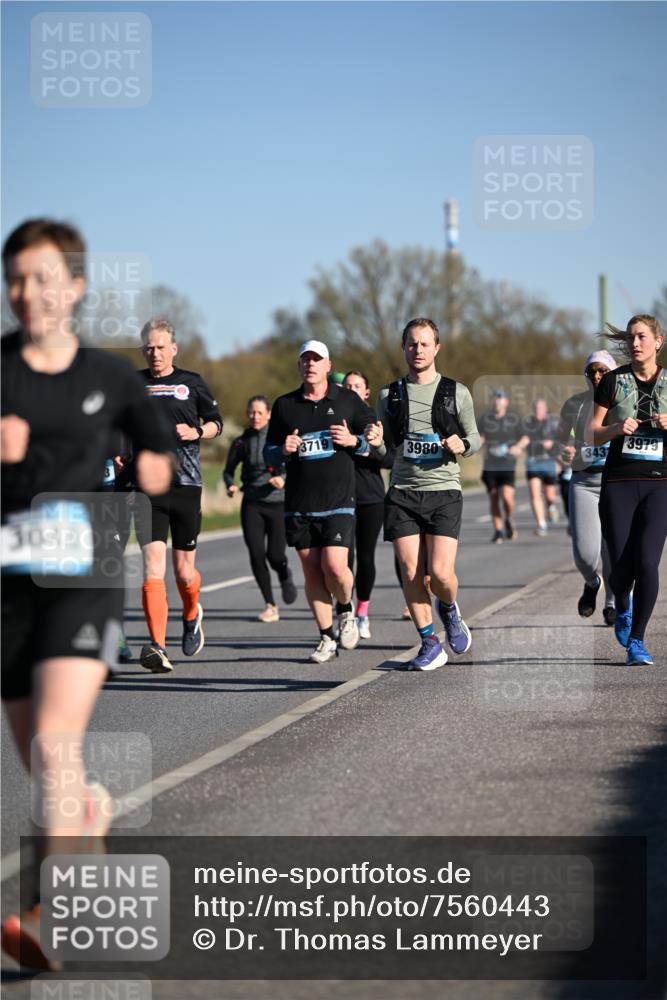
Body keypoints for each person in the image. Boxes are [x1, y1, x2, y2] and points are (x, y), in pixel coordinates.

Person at [0, 219, 172, 969]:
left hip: (85, 567)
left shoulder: (108, 377)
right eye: (14, 280)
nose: (27, 293)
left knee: (54, 742)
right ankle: (90, 808)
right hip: (9, 577)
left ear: (73, 287)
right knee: (41, 759)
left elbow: (158, 451)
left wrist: (155, 473)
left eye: (42, 278)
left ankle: (47, 910)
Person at [366, 317, 480, 671]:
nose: (418, 350)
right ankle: (429, 642)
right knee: (410, 570)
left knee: (441, 575)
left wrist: (463, 444)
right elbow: (384, 447)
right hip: (402, 492)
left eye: (425, 343)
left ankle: (448, 608)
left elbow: (475, 439)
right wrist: (373, 443)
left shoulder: (456, 392)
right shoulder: (389, 395)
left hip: (444, 490)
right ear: (403, 348)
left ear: (437, 348)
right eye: (412, 344)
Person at [264, 340, 376, 663]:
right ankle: (327, 637)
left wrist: (355, 439)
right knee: (312, 572)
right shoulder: (285, 405)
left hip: (339, 500)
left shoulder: (347, 400)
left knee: (335, 567)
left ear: (328, 366)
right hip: (299, 503)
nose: (311, 365)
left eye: (317, 360)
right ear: (299, 366)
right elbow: (269, 451)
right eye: (305, 360)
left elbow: (370, 432)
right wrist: (282, 449)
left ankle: (346, 609)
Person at [127, 318, 222, 674]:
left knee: (184, 573)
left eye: (161, 347)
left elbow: (217, 423)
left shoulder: (192, 382)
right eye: (149, 348)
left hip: (186, 485)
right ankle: (157, 646)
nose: (155, 353)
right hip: (147, 488)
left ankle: (192, 611)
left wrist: (196, 430)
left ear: (174, 348)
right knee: (153, 566)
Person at [590, 315, 667, 665]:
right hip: (619, 482)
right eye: (631, 338)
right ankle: (622, 602)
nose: (635, 343)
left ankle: (637, 640)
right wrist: (617, 427)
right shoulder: (612, 381)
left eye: (642, 337)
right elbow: (593, 432)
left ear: (658, 341)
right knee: (622, 568)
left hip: (660, 484)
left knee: (648, 562)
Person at [556, 351, 618, 624]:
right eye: (591, 371)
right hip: (583, 482)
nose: (596, 376)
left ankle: (612, 603)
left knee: (612, 549)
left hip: (616, 481)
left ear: (612, 374)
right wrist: (565, 449)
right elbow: (559, 438)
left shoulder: (624, 403)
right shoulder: (574, 405)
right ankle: (592, 583)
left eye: (602, 371)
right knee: (584, 554)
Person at [224, 395, 297, 622]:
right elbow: (228, 470)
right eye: (251, 413)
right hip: (252, 503)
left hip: (278, 503)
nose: (255, 417)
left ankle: (284, 573)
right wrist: (231, 485)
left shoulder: (279, 440)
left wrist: (283, 478)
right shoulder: (241, 441)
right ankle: (270, 604)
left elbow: (295, 464)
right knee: (256, 554)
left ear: (269, 414)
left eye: (259, 412)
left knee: (275, 555)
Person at [342, 371, 395, 639]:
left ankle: (362, 611)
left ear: (366, 392)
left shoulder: (375, 422)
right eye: (347, 385)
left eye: (357, 386)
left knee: (365, 557)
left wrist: (365, 446)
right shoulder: (335, 419)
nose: (351, 389)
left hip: (371, 498)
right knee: (342, 560)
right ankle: (345, 611)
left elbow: (389, 460)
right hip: (339, 498)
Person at [477, 388, 523, 543]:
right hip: (490, 465)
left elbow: (525, 437)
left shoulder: (513, 419)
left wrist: (518, 447)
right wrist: (474, 446)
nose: (497, 400)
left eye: (500, 398)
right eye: (495, 398)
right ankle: (498, 530)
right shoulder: (485, 419)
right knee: (494, 497)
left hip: (507, 464)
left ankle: (509, 518)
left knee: (507, 497)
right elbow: (481, 437)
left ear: (506, 401)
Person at [517, 398, 560, 536]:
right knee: (535, 493)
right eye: (536, 409)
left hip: (549, 461)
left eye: (541, 408)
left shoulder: (553, 423)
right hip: (533, 462)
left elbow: (563, 439)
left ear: (545, 409)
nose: (538, 411)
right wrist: (518, 447)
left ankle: (551, 506)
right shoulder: (528, 424)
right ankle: (541, 524)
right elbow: (525, 438)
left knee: (550, 495)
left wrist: (553, 444)